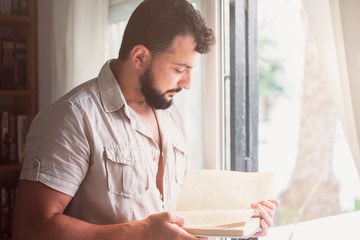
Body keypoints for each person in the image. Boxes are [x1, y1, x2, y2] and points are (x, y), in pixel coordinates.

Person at [13, 0, 280, 239]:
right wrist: (139, 233)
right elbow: (31, 228)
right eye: (179, 69)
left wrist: (241, 224)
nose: (187, 84)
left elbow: (176, 219)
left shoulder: (171, 114)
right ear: (139, 56)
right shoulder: (72, 117)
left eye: (190, 71)